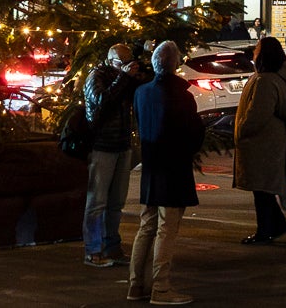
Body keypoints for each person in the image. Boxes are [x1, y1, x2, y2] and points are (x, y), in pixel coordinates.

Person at [128, 41, 202, 306]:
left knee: (147, 226)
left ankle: (136, 284)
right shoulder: (182, 96)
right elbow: (194, 135)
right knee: (166, 230)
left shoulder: (142, 93)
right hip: (173, 170)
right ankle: (160, 288)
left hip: (151, 168)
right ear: (176, 63)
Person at [83, 42, 151, 268]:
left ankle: (113, 247)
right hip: (102, 146)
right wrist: (123, 77)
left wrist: (137, 73)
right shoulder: (97, 76)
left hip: (122, 145)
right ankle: (93, 251)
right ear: (112, 61)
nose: (128, 66)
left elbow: (142, 88)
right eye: (123, 62)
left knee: (116, 203)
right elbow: (102, 103)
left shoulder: (126, 78)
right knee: (97, 202)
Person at [235, 37, 286, 245]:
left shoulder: (265, 80)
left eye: (257, 50)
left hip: (262, 143)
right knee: (262, 191)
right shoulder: (274, 77)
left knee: (261, 190)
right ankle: (274, 227)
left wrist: (241, 130)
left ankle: (266, 231)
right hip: (267, 141)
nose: (254, 53)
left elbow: (257, 114)